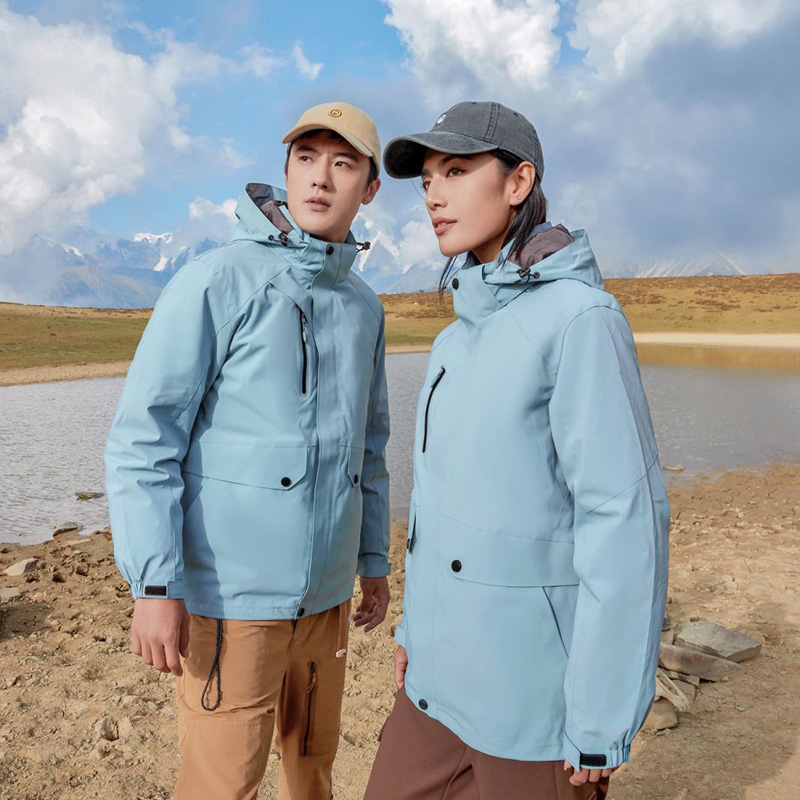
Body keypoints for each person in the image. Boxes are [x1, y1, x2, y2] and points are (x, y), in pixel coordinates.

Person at [364, 101, 670, 800]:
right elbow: (439, 511)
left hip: (534, 701)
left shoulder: (582, 320)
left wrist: (601, 715)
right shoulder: (454, 339)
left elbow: (623, 521)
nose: (434, 195)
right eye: (427, 180)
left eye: (456, 170)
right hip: (435, 684)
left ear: (518, 181)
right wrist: (414, 631)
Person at [105, 101, 392, 800]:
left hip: (327, 602)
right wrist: (155, 586)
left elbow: (370, 446)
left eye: (343, 163)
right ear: (286, 171)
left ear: (370, 188)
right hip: (232, 603)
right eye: (306, 158)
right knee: (222, 784)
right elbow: (145, 439)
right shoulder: (216, 280)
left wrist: (372, 560)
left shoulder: (363, 306)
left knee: (311, 773)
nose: (320, 177)